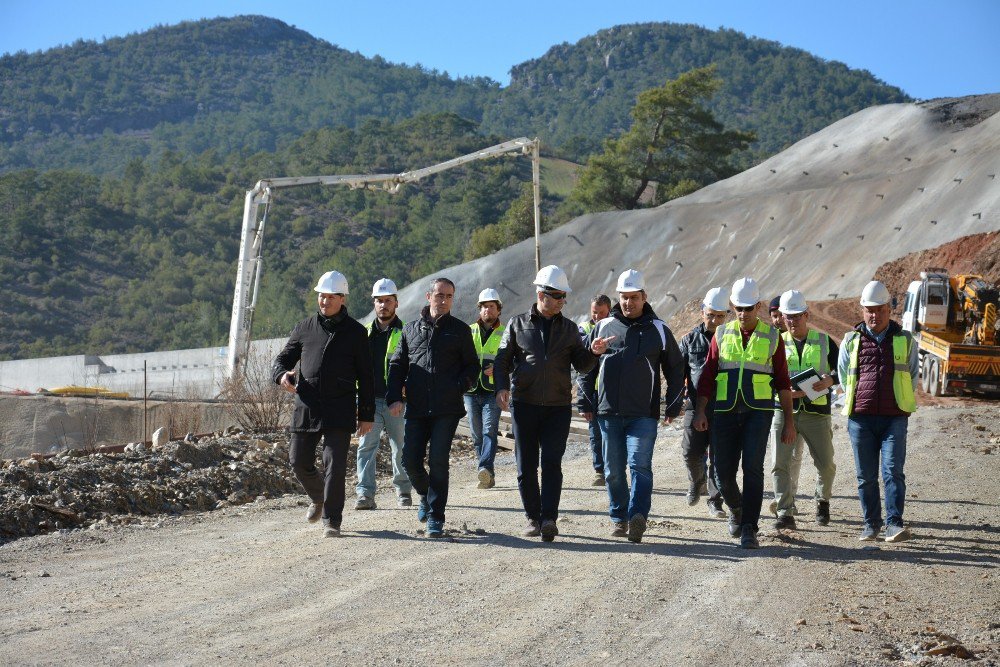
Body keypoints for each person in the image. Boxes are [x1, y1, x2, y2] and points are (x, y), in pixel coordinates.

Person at [494, 265, 608, 542]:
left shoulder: (569, 329)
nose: (561, 301)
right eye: (556, 295)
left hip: (557, 407)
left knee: (552, 463)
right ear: (540, 293)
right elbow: (501, 360)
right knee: (526, 465)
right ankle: (533, 517)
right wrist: (501, 388)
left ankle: (549, 519)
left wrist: (593, 353)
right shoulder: (517, 324)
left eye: (563, 297)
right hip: (524, 404)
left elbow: (581, 365)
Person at [581, 270, 684, 542]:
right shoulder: (603, 326)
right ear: (619, 298)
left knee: (640, 465)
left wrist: (673, 405)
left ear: (644, 297)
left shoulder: (659, 330)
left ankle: (638, 516)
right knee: (614, 472)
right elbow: (584, 366)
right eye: (624, 298)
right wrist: (585, 398)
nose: (629, 303)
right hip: (608, 413)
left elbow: (675, 368)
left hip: (643, 414)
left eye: (634, 298)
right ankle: (619, 517)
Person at [693, 277, 796, 549]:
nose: (742, 313)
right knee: (722, 473)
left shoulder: (772, 336)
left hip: (757, 413)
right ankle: (736, 508)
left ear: (758, 306)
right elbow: (707, 376)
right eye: (738, 307)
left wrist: (789, 422)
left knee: (752, 469)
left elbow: (783, 383)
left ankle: (750, 526)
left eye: (748, 308)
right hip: (725, 412)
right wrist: (700, 411)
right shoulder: (721, 334)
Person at [272, 270, 375, 538]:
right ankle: (319, 497)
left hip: (339, 409)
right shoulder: (304, 328)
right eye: (321, 296)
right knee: (297, 461)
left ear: (342, 298)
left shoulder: (356, 332)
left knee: (335, 466)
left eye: (330, 297)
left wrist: (366, 414)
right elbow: (282, 360)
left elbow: (366, 376)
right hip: (306, 407)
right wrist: (282, 375)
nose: (324, 302)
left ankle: (332, 519)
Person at [387, 278, 479, 538]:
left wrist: (459, 385)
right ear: (428, 297)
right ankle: (425, 496)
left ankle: (436, 517)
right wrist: (395, 396)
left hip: (447, 408)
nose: (444, 300)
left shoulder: (460, 330)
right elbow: (397, 366)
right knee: (410, 461)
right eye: (440, 295)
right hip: (416, 407)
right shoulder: (410, 330)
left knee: (439, 460)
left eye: (449, 296)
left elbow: (472, 366)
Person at [837, 280, 918, 543]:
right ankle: (871, 524)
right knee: (866, 476)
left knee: (893, 470)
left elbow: (913, 376)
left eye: (880, 309)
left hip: (894, 417)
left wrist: (901, 402)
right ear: (862, 311)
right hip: (860, 418)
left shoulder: (905, 340)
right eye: (869, 310)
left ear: (889, 310)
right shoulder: (850, 341)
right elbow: (843, 376)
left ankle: (894, 524)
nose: (875, 315)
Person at [770, 290, 839, 530]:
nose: (791, 321)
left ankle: (822, 501)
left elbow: (844, 369)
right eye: (787, 316)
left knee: (826, 464)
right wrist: (783, 389)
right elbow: (764, 376)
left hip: (816, 412)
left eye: (796, 316)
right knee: (780, 464)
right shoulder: (775, 342)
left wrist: (830, 380)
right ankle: (784, 512)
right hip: (784, 410)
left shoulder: (824, 341)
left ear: (806, 315)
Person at [354, 278, 412, 510]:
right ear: (374, 304)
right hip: (369, 401)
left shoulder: (408, 332)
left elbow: (415, 364)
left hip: (396, 401)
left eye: (388, 300)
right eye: (379, 301)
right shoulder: (363, 334)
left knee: (400, 447)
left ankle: (404, 490)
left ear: (396, 303)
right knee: (366, 447)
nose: (383, 305)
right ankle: (365, 494)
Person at [678, 287, 729, 518]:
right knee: (690, 452)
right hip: (695, 404)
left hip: (725, 406)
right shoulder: (689, 340)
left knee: (719, 457)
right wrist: (674, 401)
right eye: (710, 315)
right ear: (702, 313)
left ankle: (715, 500)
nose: (715, 320)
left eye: (720, 316)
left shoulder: (731, 339)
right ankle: (696, 480)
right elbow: (677, 373)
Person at [465, 288, 505, 489]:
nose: (487, 310)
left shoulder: (505, 333)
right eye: (484, 306)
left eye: (491, 306)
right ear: (479, 310)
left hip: (493, 391)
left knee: (489, 431)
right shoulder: (469, 331)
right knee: (476, 435)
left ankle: (484, 468)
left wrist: (497, 369)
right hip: (471, 391)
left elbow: (513, 361)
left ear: (498, 309)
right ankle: (487, 473)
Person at [577, 294, 613, 486]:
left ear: (609, 310)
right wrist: (583, 402)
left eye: (601, 313)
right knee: (596, 434)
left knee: (614, 433)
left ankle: (613, 469)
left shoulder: (617, 329)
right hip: (594, 393)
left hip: (614, 392)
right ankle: (600, 471)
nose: (597, 316)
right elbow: (582, 370)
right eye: (594, 313)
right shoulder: (583, 329)